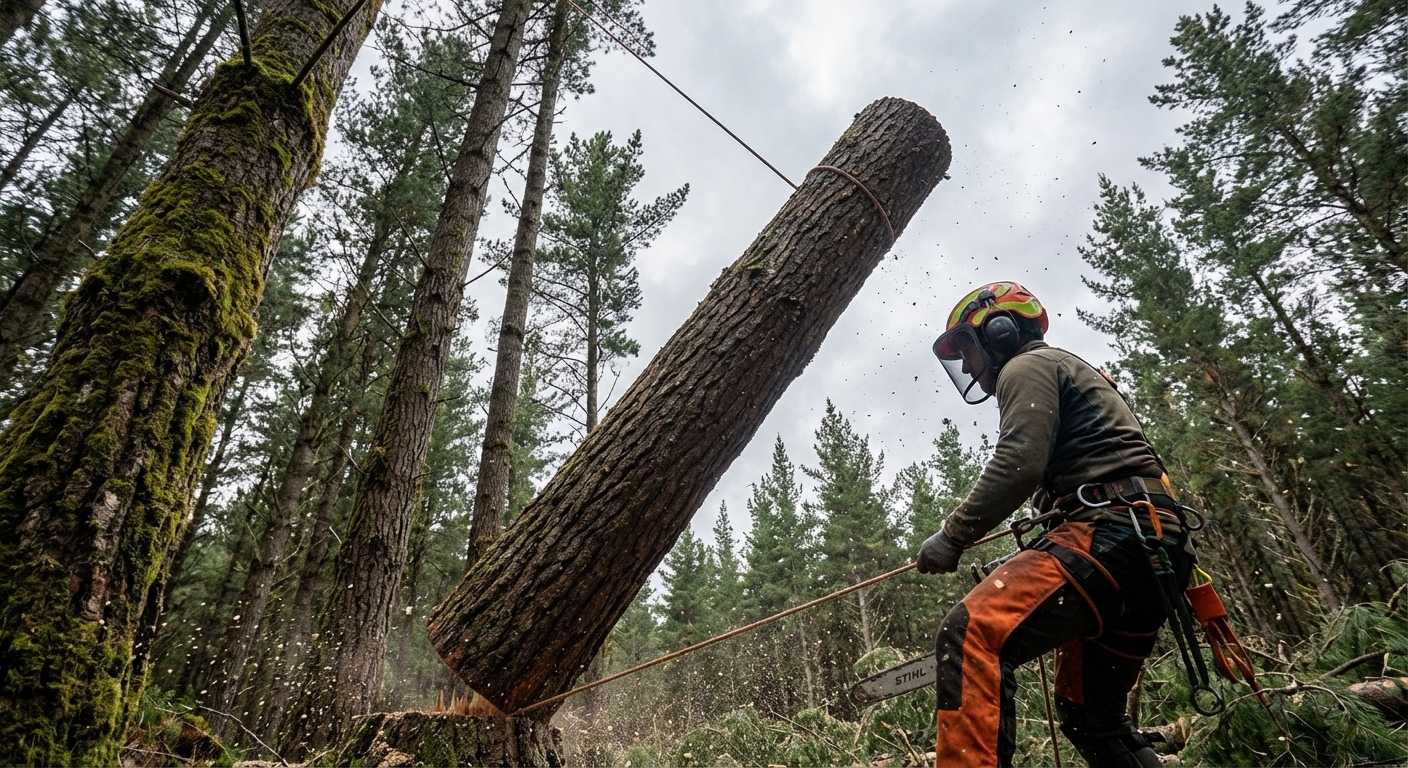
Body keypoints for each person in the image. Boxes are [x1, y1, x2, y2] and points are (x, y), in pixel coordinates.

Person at [918, 281, 1191, 767]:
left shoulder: (1026, 366)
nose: (968, 367)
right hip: (1151, 544)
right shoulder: (1066, 369)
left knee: (970, 633)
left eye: (967, 350)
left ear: (999, 331)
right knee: (1092, 717)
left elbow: (1018, 462)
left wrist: (954, 535)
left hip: (1112, 531)